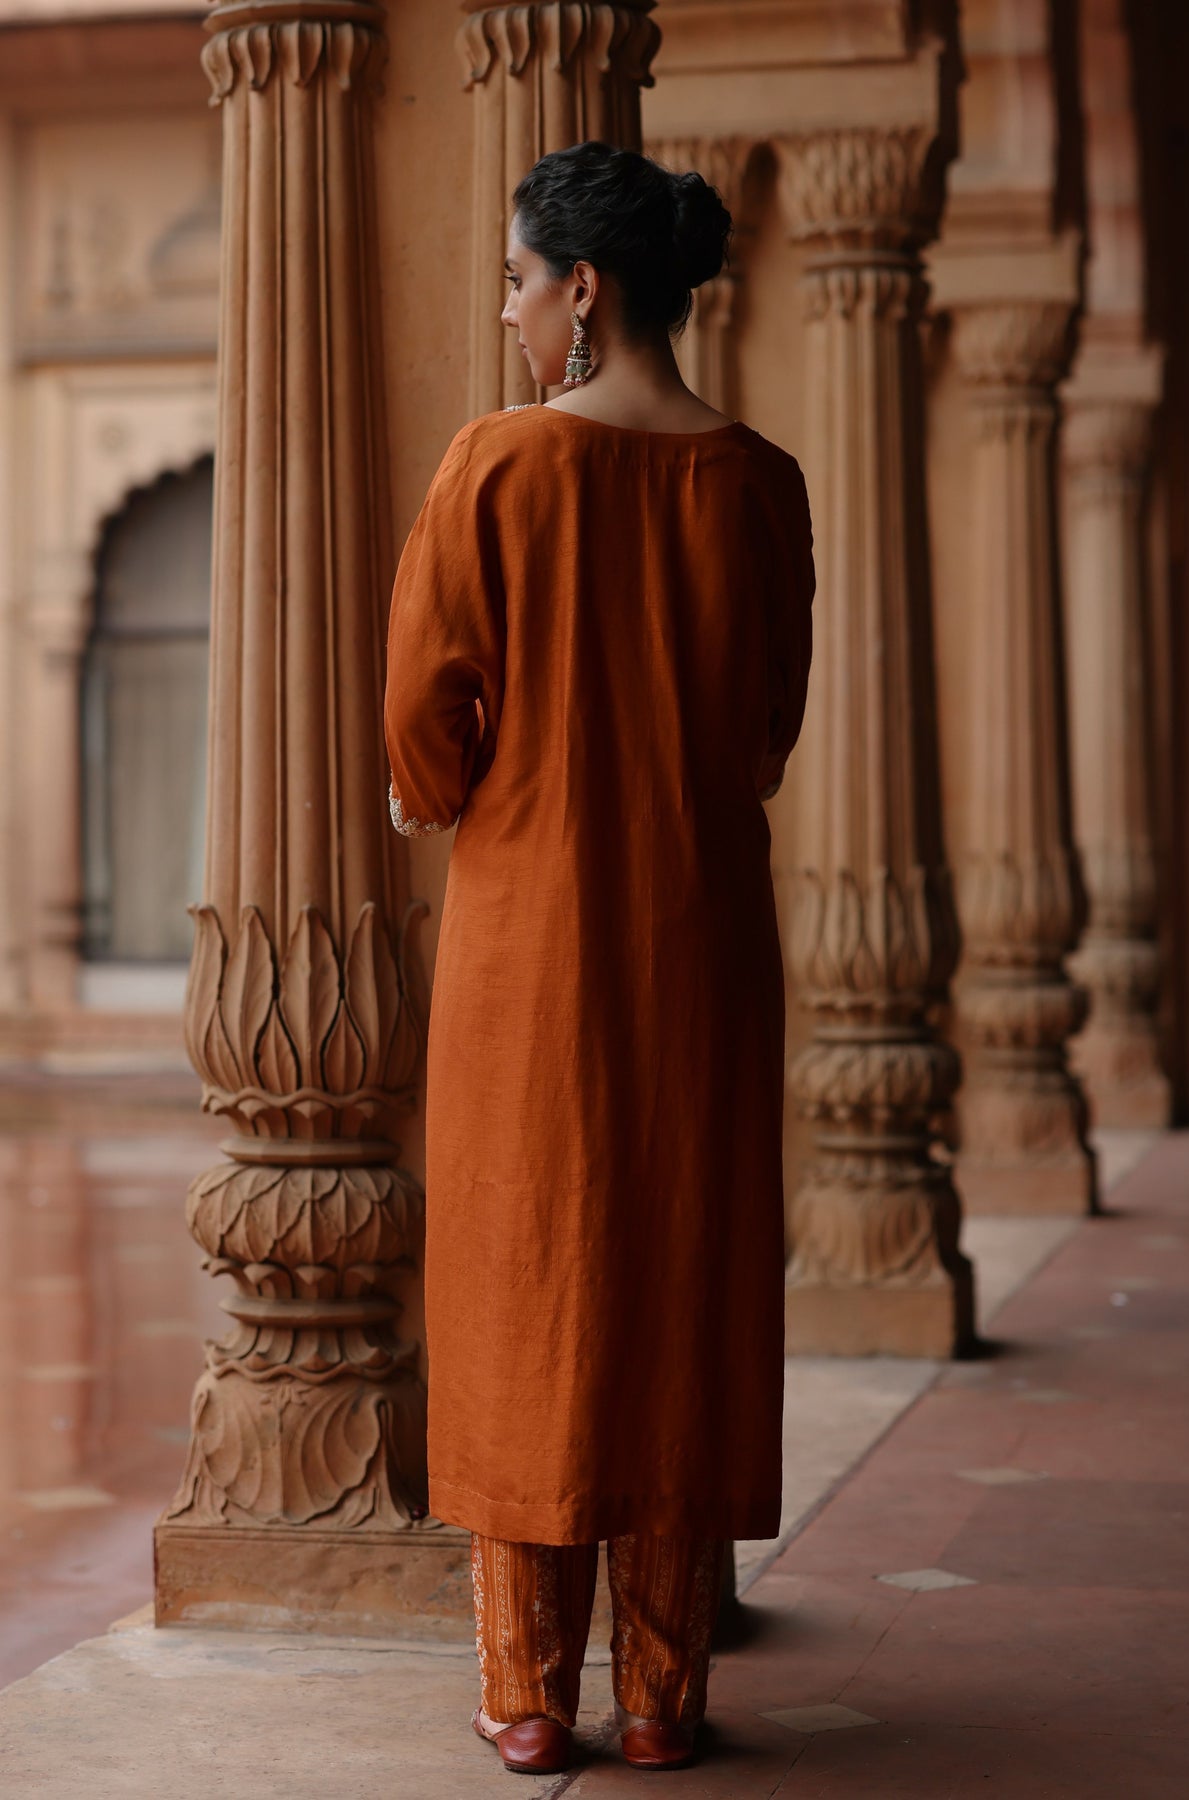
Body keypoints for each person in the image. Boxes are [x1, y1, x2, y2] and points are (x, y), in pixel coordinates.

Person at [384, 140, 815, 1777]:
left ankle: (526, 1695)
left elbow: (425, 713)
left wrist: (455, 794)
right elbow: (765, 731)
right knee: (679, 1273)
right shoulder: (758, 484)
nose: (505, 313)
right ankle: (661, 1696)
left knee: (529, 1277)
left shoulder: (498, 469)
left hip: (531, 945)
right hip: (700, 935)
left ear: (584, 287)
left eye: (515, 279)